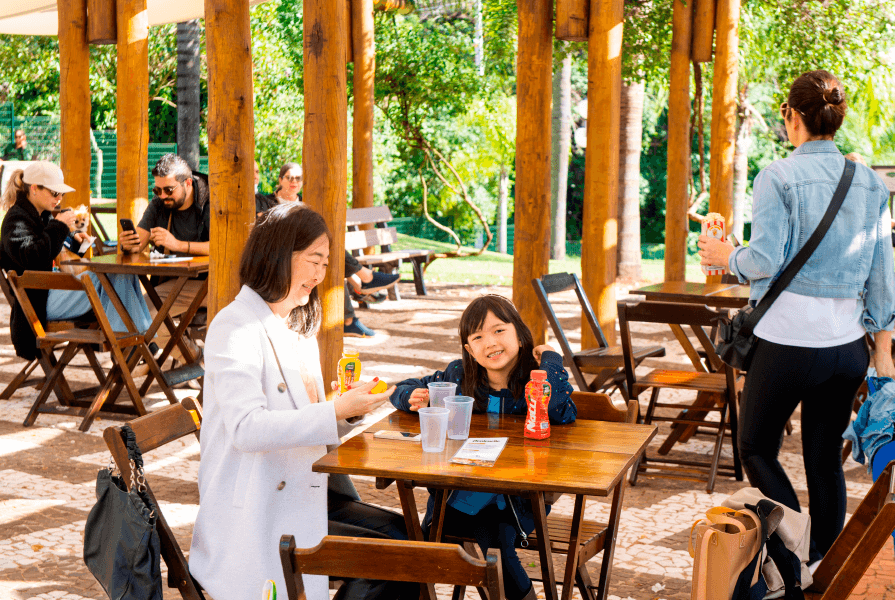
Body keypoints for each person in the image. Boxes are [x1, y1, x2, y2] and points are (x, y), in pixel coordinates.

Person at [698, 69, 895, 565]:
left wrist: (726, 254)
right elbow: (883, 279)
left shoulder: (779, 176)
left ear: (793, 116)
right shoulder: (870, 183)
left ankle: (792, 551)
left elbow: (763, 260)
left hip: (786, 344)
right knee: (824, 462)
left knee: (756, 447)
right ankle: (822, 567)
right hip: (846, 346)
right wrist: (882, 349)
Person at [189, 203, 416, 600]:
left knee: (409, 540)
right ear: (277, 254)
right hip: (259, 509)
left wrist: (348, 410)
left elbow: (309, 418)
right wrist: (335, 411)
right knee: (394, 565)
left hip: (305, 487)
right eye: (314, 260)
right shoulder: (234, 326)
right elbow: (246, 429)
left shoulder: (293, 325)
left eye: (325, 263)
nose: (320, 275)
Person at [389, 294, 577, 600]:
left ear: (520, 333)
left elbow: (554, 402)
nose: (490, 343)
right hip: (455, 495)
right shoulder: (459, 377)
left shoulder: (536, 380)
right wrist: (410, 399)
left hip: (518, 502)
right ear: (469, 350)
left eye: (499, 330)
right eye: (478, 336)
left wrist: (552, 357)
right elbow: (404, 387)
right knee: (418, 547)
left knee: (493, 542)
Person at [0, 162, 152, 360]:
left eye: (61, 194)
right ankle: (134, 343)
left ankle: (135, 341)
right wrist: (59, 227)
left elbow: (48, 243)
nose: (60, 198)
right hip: (36, 303)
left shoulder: (40, 216)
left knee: (122, 273)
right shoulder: (16, 220)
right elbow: (33, 257)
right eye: (55, 193)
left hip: (48, 293)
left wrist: (75, 242)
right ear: (34, 188)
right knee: (107, 275)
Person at [255, 161, 398, 337]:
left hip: (311, 250)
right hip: (286, 252)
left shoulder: (308, 202)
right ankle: (362, 282)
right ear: (280, 180)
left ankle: (354, 303)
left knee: (330, 260)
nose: (294, 181)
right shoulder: (267, 202)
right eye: (289, 177)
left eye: (298, 178)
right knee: (329, 256)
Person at [119, 153, 209, 358]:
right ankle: (194, 357)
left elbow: (223, 248)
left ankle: (195, 361)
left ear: (187, 183)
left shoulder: (210, 200)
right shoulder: (161, 201)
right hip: (178, 283)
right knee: (140, 317)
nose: (162, 195)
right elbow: (140, 239)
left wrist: (177, 245)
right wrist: (130, 244)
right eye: (156, 190)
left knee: (149, 318)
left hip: (213, 283)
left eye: (168, 190)